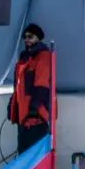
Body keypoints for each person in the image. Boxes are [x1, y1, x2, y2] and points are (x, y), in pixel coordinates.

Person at [10, 23, 54, 154]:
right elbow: (18, 87)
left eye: (31, 36)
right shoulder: (24, 58)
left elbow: (42, 84)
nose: (27, 39)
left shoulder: (43, 56)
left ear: (38, 38)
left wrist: (34, 108)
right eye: (25, 37)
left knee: (34, 155)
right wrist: (13, 106)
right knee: (24, 153)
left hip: (35, 118)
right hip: (24, 118)